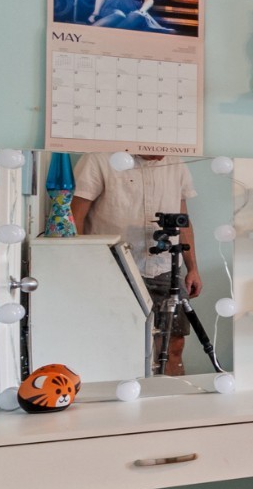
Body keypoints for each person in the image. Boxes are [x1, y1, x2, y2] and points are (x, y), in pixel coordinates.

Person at [71, 153, 200, 375]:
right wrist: (82, 265)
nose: (162, 154)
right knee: (121, 344)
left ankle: (173, 402)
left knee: (174, 344)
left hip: (165, 268)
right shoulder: (99, 158)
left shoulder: (176, 162)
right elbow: (75, 216)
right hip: (115, 268)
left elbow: (183, 220)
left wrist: (193, 268)